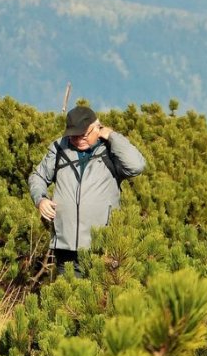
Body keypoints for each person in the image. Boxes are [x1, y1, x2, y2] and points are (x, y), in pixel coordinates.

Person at [28, 106, 146, 277]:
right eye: (73, 135)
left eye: (83, 135)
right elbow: (38, 176)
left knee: (100, 294)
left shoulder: (110, 150)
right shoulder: (59, 148)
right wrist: (41, 200)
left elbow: (137, 166)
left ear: (96, 127)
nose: (78, 140)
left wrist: (112, 136)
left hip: (102, 248)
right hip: (66, 247)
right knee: (67, 294)